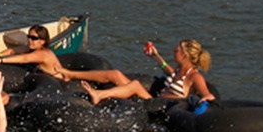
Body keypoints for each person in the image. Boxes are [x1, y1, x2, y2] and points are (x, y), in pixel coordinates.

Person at [82, 39, 215, 106]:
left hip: (161, 108)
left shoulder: (195, 76)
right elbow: (170, 72)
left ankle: (99, 95)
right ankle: (67, 73)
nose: (173, 53)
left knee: (135, 85)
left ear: (185, 55)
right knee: (115, 74)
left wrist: (206, 99)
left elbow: (207, 94)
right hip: (154, 101)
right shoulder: (180, 71)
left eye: (176, 51)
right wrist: (155, 56)